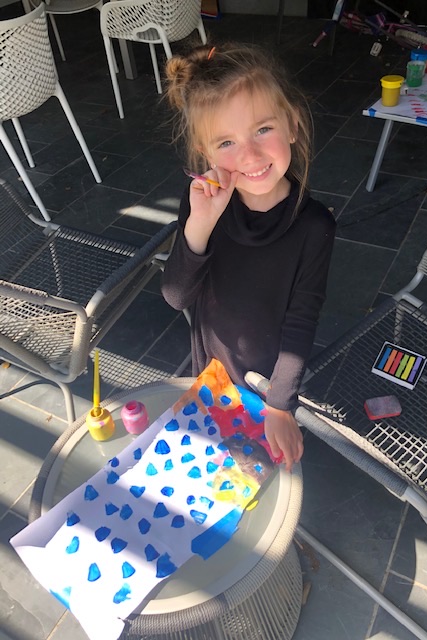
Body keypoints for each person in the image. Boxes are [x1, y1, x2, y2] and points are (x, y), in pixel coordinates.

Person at [161, 43, 336, 472]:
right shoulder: (204, 205)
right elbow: (176, 296)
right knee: (216, 469)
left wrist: (280, 403)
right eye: (227, 142)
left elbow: (302, 318)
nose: (250, 156)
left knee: (264, 468)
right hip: (212, 366)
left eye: (263, 129)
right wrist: (200, 224)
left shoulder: (314, 225)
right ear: (206, 153)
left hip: (272, 373)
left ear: (292, 124)